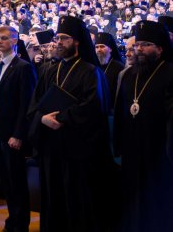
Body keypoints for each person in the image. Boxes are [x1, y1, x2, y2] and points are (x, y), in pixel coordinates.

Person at [27, 15, 113, 232]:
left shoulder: (91, 72)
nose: (58, 42)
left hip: (78, 151)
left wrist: (61, 119)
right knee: (53, 199)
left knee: (78, 201)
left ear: (76, 41)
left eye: (64, 38)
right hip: (51, 148)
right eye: (57, 38)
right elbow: (34, 105)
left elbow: (93, 108)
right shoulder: (49, 71)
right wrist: (42, 119)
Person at [113, 20, 173, 232]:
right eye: (137, 44)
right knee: (132, 198)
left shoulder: (169, 73)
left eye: (145, 44)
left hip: (159, 152)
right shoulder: (129, 75)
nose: (138, 49)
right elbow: (120, 112)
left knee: (158, 201)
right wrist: (119, 145)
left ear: (160, 48)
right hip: (132, 150)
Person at [0, 26, 36, 232]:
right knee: (4, 181)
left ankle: (20, 224)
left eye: (3, 38)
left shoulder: (23, 67)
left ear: (14, 41)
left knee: (16, 182)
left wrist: (18, 134)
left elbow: (26, 104)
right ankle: (12, 220)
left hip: (12, 134)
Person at [95, 32, 124, 106]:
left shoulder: (119, 67)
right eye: (97, 47)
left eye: (102, 46)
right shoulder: (93, 66)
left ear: (110, 49)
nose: (99, 49)